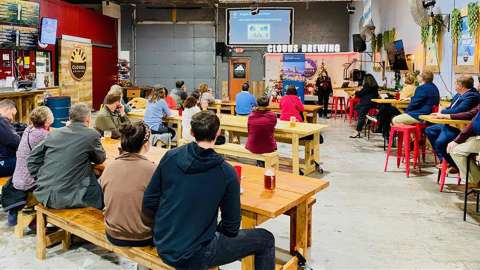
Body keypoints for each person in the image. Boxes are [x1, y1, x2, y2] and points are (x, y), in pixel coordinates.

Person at [143, 111, 275, 269]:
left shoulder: (170, 156)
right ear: (218, 132)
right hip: (195, 253)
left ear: (191, 132)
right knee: (266, 239)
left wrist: (169, 225)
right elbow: (231, 226)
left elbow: (149, 200)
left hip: (163, 243)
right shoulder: (226, 172)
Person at [27, 103, 106, 209]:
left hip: (45, 193)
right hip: (67, 198)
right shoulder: (91, 134)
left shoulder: (54, 133)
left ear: (69, 118)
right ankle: (95, 222)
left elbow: (32, 159)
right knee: (101, 191)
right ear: (88, 119)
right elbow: (100, 158)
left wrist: (41, 176)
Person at [100, 122, 155, 246]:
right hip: (142, 235)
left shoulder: (110, 167)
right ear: (146, 144)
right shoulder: (152, 170)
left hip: (113, 232)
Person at [2, 106, 53, 226]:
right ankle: (40, 220)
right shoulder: (43, 136)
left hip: (18, 177)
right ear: (47, 121)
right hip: (29, 180)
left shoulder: (29, 130)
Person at [425, 75, 480, 170]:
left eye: (456, 83)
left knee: (440, 143)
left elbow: (460, 110)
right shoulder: (459, 94)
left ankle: (455, 165)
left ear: (461, 85)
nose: (454, 85)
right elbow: (452, 108)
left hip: (460, 126)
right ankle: (444, 159)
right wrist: (444, 111)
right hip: (451, 123)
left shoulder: (472, 95)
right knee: (430, 130)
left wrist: (442, 113)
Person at [441, 104, 480, 186]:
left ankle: (475, 180)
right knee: (447, 142)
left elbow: (471, 118)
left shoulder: (470, 95)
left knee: (455, 149)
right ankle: (470, 176)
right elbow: (473, 118)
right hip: (475, 135)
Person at [350, 74, 380, 138]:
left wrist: (355, 92)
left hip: (366, 103)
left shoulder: (367, 85)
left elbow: (361, 94)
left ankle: (357, 131)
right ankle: (367, 117)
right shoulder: (375, 86)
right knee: (357, 108)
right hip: (373, 103)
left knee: (361, 115)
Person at [0, 99, 20, 177]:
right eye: (12, 114)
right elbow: (16, 142)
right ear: (7, 109)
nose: (12, 119)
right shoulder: (1, 121)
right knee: (31, 161)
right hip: (2, 162)